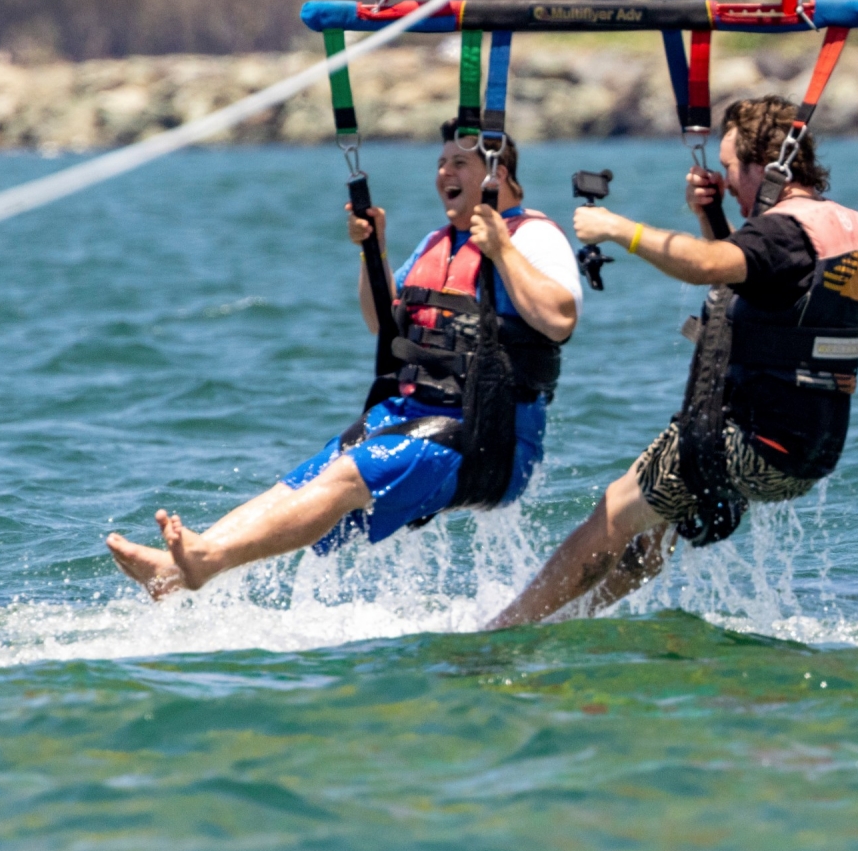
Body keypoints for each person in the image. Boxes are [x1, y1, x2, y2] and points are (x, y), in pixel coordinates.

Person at [107, 126, 581, 598]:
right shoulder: (436, 243)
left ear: (500, 174)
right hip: (409, 415)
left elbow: (560, 319)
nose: (444, 173)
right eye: (440, 163)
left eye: (459, 163)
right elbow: (382, 324)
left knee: (347, 476)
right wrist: (372, 252)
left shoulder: (534, 236)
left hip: (487, 436)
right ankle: (178, 570)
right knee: (298, 485)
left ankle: (206, 561)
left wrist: (501, 249)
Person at [488, 96, 858, 628]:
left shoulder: (780, 232)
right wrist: (711, 214)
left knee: (614, 510)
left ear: (768, 168)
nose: (727, 180)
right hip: (809, 452)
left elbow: (708, 265)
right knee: (655, 527)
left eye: (731, 168)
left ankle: (505, 629)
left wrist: (617, 229)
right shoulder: (845, 228)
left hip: (744, 445)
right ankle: (568, 619)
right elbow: (753, 283)